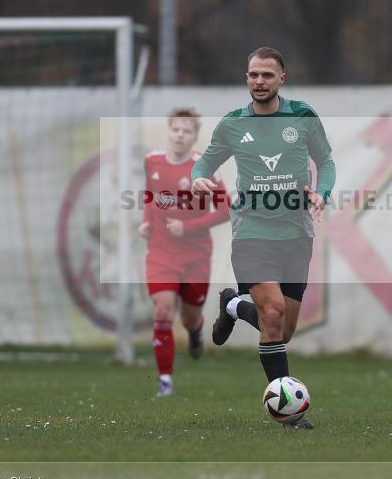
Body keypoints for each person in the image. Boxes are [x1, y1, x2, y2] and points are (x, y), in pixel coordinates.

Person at [191, 47, 336, 429]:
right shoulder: (233, 124)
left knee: (282, 329)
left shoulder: (302, 116)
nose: (259, 81)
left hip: (296, 233)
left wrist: (323, 193)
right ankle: (290, 415)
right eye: (253, 74)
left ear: (281, 79)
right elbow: (206, 161)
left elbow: (326, 161)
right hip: (252, 231)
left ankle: (232, 306)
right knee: (272, 314)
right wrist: (198, 177)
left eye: (267, 75)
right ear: (247, 78)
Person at [138, 107, 230, 397]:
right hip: (161, 252)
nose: (179, 135)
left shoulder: (205, 167)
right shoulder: (151, 161)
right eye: (175, 129)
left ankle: (195, 330)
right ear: (169, 131)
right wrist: (145, 222)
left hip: (195, 255)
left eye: (186, 131)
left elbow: (226, 210)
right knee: (163, 308)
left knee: (190, 317)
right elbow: (150, 195)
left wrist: (187, 227)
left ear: (194, 136)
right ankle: (165, 381)